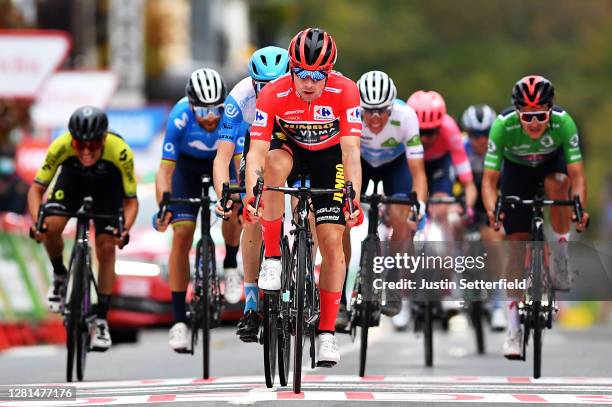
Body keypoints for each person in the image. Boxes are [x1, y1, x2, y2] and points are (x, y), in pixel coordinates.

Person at [243, 28, 363, 366]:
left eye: (317, 76)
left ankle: (326, 333)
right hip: (290, 148)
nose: (308, 83)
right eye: (301, 74)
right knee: (271, 167)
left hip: (330, 158)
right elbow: (256, 151)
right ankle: (272, 257)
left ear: (329, 73)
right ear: (291, 69)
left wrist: (353, 197)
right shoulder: (274, 93)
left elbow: (352, 152)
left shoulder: (346, 92)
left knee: (331, 241)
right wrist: (254, 190)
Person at [481, 75, 589, 359]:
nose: (534, 123)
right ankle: (513, 331)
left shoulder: (564, 123)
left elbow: (577, 176)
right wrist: (493, 211)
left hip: (552, 165)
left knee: (559, 184)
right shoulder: (503, 126)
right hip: (516, 173)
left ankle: (562, 252)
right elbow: (489, 181)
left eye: (541, 116)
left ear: (550, 111)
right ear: (517, 112)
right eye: (527, 116)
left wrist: (580, 208)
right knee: (516, 247)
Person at [28, 106, 138, 351]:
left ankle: (101, 320)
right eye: (80, 144)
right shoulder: (61, 145)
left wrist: (125, 229)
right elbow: (36, 190)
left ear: (104, 139)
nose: (87, 150)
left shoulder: (120, 152)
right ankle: (59, 275)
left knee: (107, 246)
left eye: (94, 144)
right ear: (72, 140)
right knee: (50, 226)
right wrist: (38, 223)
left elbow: (131, 201)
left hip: (107, 188)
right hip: (72, 182)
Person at [154, 68, 242, 353]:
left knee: (234, 203)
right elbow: (165, 171)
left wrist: (239, 196)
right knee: (182, 235)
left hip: (223, 163)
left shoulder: (232, 113)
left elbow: (239, 165)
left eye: (215, 108)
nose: (210, 116)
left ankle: (230, 264)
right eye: (202, 110)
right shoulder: (179, 116)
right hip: (187, 171)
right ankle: (178, 321)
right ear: (191, 105)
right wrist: (164, 205)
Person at [336, 70, 428, 330]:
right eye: (369, 111)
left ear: (392, 107)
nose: (375, 118)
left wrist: (417, 206)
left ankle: (393, 281)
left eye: (382, 111)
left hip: (394, 164)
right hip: (359, 161)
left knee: (402, 216)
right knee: (340, 220)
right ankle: (339, 298)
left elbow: (418, 172)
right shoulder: (349, 112)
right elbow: (343, 158)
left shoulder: (407, 116)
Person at [212, 46, 290, 342]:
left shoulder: (300, 93)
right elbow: (222, 157)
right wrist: (223, 193)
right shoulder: (240, 97)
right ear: (252, 82)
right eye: (262, 87)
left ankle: (305, 276)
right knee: (252, 212)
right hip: (254, 143)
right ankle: (251, 303)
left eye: (275, 85)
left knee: (304, 201)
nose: (267, 92)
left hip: (291, 139)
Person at [461, 104, 506, 331]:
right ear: (467, 133)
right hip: (466, 197)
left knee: (494, 240)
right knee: (450, 227)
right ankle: (455, 283)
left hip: (493, 196)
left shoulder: (501, 148)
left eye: (486, 133)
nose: (481, 140)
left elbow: (506, 185)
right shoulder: (460, 148)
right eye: (474, 134)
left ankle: (497, 304)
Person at [407, 91, 477, 226]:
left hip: (438, 164)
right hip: (411, 163)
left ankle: (440, 244)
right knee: (402, 209)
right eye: (419, 131)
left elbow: (469, 184)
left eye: (429, 132)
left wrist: (467, 208)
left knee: (441, 208)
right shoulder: (403, 127)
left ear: (439, 128)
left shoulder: (450, 130)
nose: (423, 139)